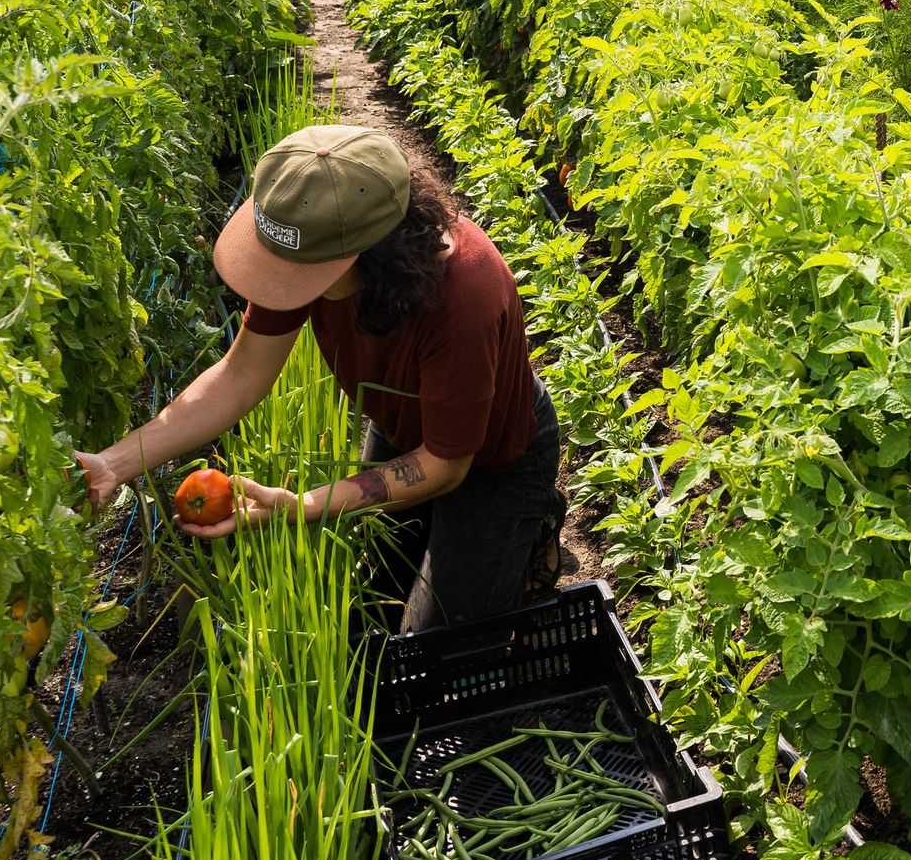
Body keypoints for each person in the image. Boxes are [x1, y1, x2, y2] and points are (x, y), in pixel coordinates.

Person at [73, 124, 564, 631]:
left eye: (298, 271)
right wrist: (113, 464)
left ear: (372, 254)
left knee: (447, 637)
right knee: (373, 602)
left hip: (492, 456)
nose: (282, 281)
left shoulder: (465, 298)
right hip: (403, 430)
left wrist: (304, 505)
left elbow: (446, 464)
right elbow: (240, 374)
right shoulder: (316, 236)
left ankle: (532, 522)